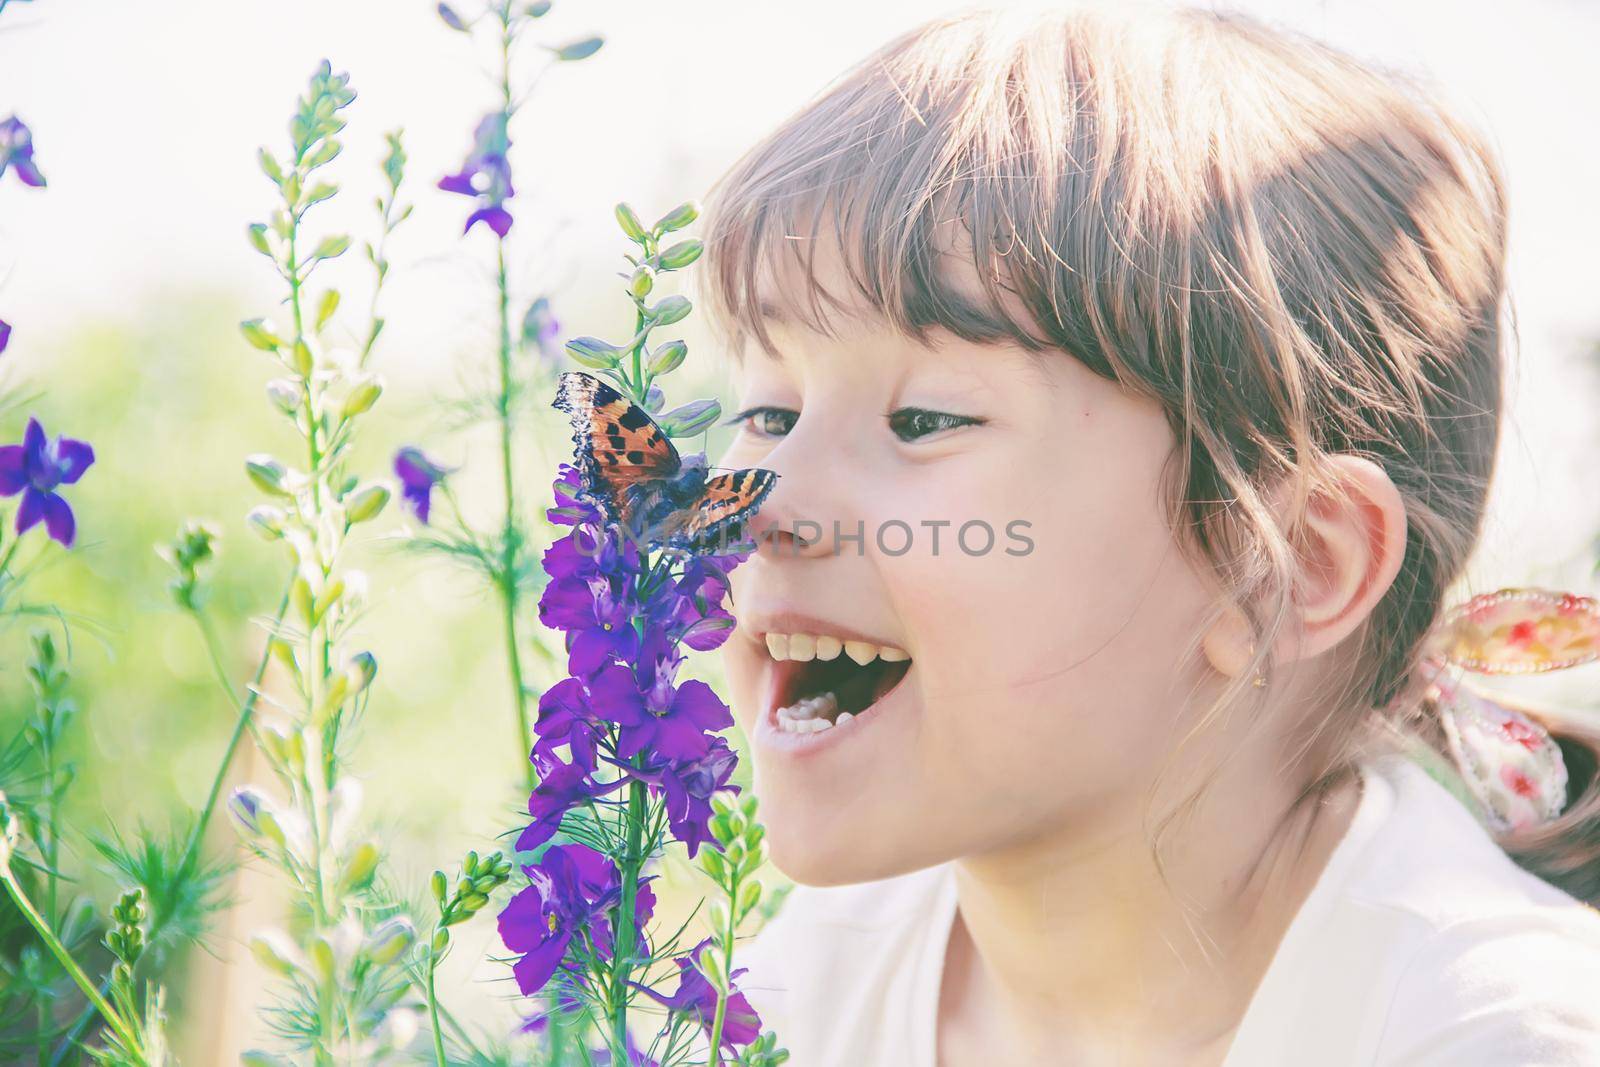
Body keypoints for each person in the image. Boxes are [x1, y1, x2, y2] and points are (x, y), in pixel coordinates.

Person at [697, 4, 1600, 1064]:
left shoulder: (1486, 1032)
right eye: (766, 412)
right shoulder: (812, 983)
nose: (760, 503)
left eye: (925, 420)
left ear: (1284, 564)